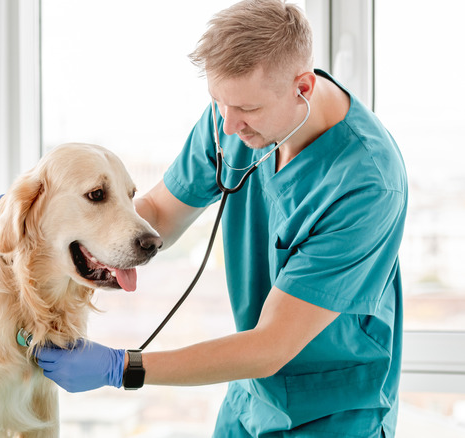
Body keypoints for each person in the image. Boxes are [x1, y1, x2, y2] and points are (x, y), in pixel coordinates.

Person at [33, 0, 408, 436]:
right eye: (217, 101)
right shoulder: (231, 115)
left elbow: (271, 345)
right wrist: (57, 218)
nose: (228, 127)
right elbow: (157, 217)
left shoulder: (366, 183)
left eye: (246, 110)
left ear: (302, 87)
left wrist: (123, 367)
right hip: (249, 399)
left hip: (334, 413)